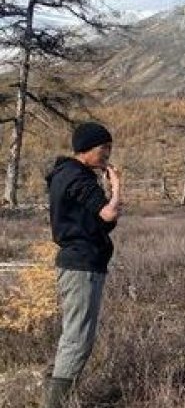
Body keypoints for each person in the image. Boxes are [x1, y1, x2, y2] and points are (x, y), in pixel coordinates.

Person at [42, 122, 122, 408]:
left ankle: (51, 396)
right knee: (78, 339)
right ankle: (55, 404)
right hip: (82, 264)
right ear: (87, 148)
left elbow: (95, 221)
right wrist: (116, 186)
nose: (107, 155)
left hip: (75, 262)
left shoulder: (64, 174)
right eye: (104, 149)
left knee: (72, 334)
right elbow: (109, 214)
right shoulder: (79, 177)